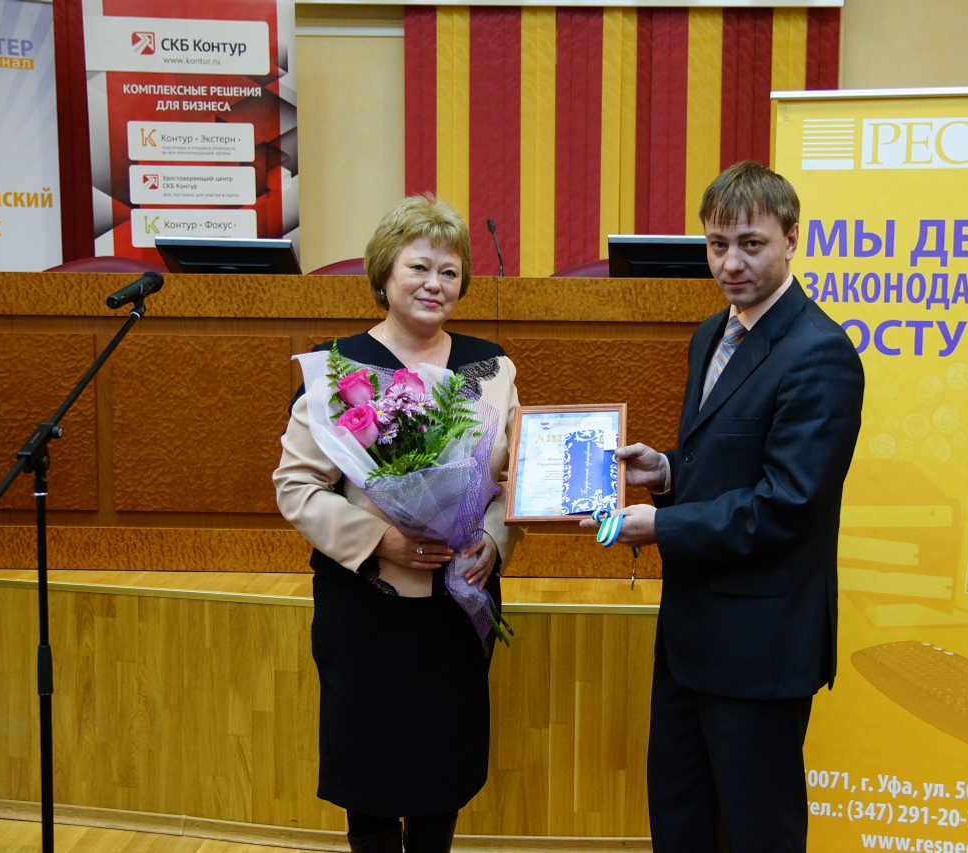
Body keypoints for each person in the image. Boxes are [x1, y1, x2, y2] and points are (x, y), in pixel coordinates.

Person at [583, 161, 864, 852]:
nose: (730, 263)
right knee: (680, 821)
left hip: (761, 646)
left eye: (750, 243)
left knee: (756, 831)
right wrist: (666, 471)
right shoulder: (711, 333)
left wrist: (661, 525)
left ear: (791, 239)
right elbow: (721, 462)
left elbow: (788, 502)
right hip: (692, 635)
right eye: (717, 244)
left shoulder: (821, 353)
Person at [273, 194, 522, 853]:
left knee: (443, 775)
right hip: (368, 608)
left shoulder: (492, 368)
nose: (434, 283)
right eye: (419, 267)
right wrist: (382, 539)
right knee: (371, 777)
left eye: (449, 271)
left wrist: (494, 540)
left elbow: (511, 481)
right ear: (384, 273)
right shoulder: (336, 367)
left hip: (458, 606)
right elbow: (295, 487)